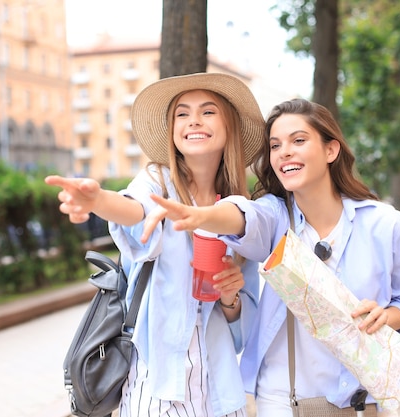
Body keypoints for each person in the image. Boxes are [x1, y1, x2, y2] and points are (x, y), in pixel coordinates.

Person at [145, 98, 400, 416]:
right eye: (276, 145)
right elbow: (242, 215)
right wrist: (202, 215)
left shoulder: (384, 223)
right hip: (282, 399)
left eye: (298, 140)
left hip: (359, 401)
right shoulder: (276, 220)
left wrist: (387, 317)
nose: (285, 152)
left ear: (330, 150)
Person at [45, 73, 265, 417]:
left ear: (229, 126)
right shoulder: (156, 180)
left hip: (220, 388)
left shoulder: (238, 209)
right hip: (159, 380)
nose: (193, 120)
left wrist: (230, 296)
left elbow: (243, 329)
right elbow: (133, 210)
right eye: (182, 113)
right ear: (172, 129)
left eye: (208, 112)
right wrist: (98, 199)